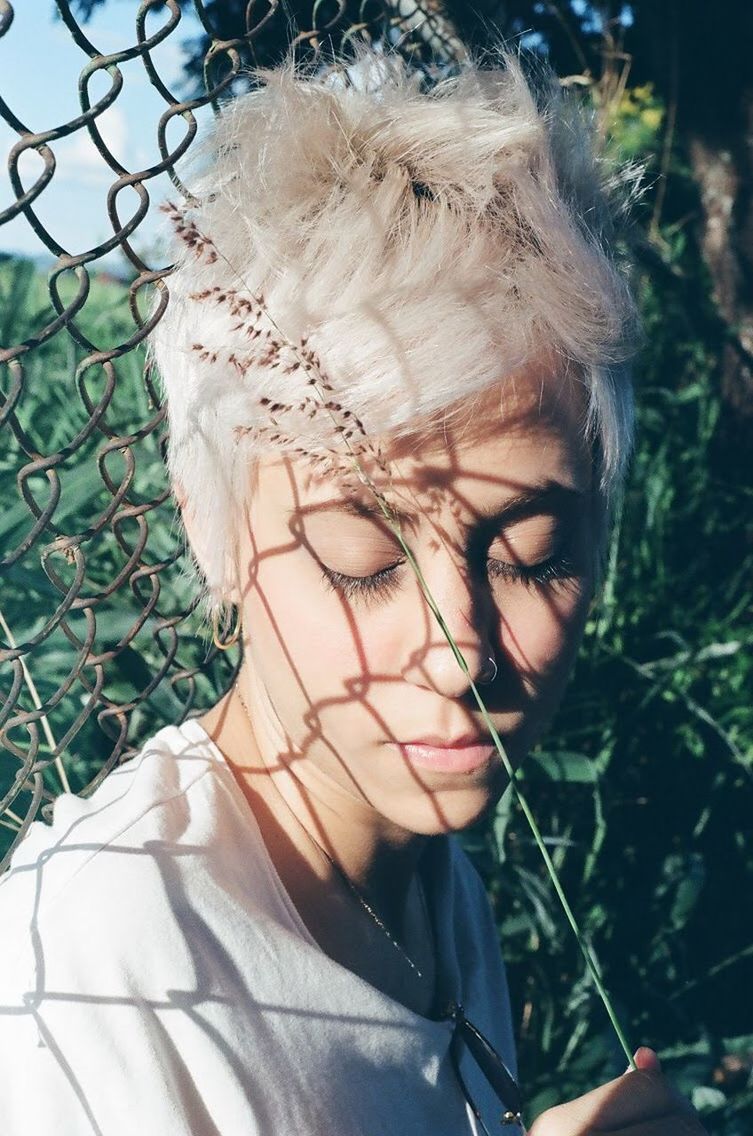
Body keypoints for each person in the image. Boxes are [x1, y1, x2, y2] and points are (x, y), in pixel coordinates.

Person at [0, 45, 705, 1136]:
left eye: (530, 552)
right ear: (214, 530)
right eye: (360, 558)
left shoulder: (427, 869)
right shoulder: (97, 989)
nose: (458, 650)